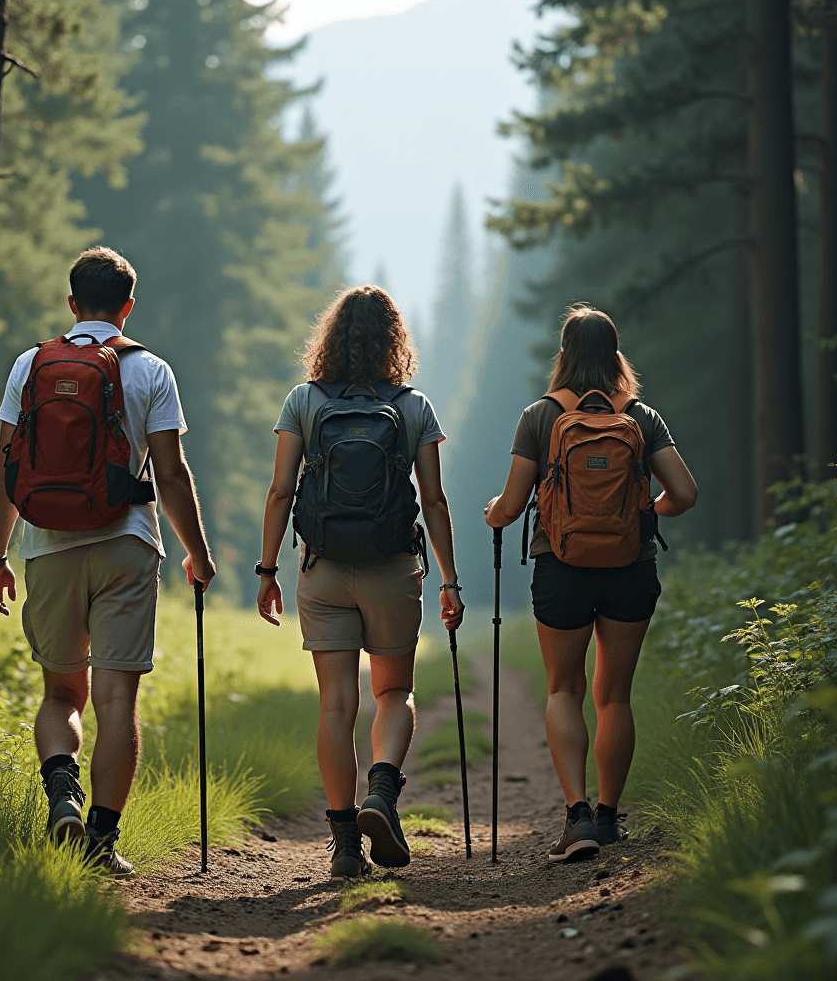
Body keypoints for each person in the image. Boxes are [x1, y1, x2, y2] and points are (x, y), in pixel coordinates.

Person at [0, 246, 216, 875]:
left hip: (47, 548)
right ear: (128, 306)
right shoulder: (151, 371)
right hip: (126, 545)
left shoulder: (31, 363)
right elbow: (170, 472)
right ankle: (101, 840)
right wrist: (197, 551)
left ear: (71, 302)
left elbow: (5, 469)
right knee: (117, 702)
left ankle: (62, 792)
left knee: (61, 693)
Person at [256, 285, 465, 878]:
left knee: (336, 705)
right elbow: (434, 498)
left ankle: (346, 844)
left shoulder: (304, 400)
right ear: (394, 340)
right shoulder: (413, 406)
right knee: (393, 692)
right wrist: (449, 579)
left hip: (322, 569)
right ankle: (382, 794)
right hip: (393, 568)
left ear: (330, 337)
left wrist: (268, 569)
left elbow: (280, 492)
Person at [484, 305, 696, 863]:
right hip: (630, 568)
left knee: (564, 690)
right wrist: (642, 511)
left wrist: (494, 513)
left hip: (562, 567)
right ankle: (608, 819)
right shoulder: (643, 418)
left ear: (564, 356)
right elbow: (686, 494)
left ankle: (576, 814)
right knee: (614, 695)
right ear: (616, 356)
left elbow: (509, 507)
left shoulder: (540, 416)